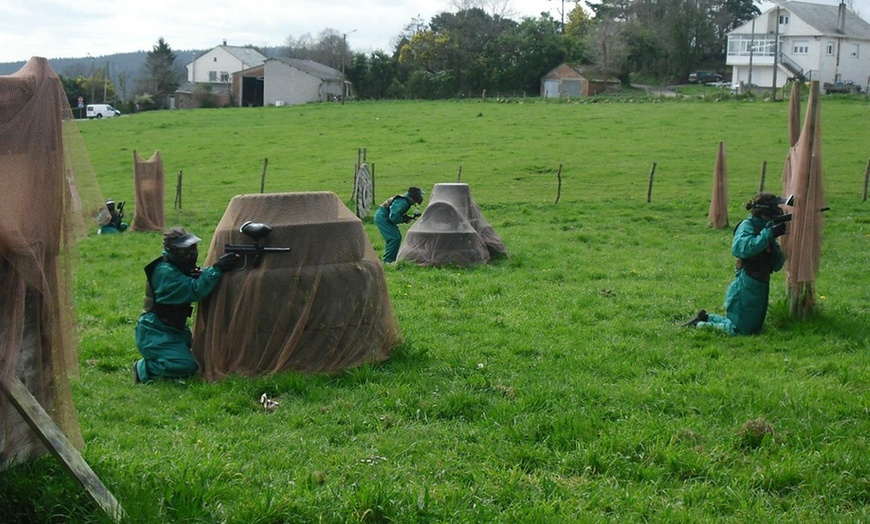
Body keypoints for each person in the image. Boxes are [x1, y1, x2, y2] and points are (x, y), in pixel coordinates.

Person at [133, 227, 239, 383]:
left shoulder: (178, 267)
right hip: (155, 332)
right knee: (186, 366)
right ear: (171, 250)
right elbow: (194, 290)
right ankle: (144, 369)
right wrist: (217, 269)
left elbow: (194, 279)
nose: (190, 254)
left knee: (199, 358)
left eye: (192, 248)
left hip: (175, 330)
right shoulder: (164, 271)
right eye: (184, 251)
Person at [684, 193, 787, 335]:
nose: (778, 210)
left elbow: (777, 265)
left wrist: (773, 242)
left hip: (761, 282)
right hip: (747, 281)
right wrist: (768, 233)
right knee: (740, 331)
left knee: (753, 328)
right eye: (775, 207)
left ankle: (708, 318)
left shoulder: (765, 229)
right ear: (765, 211)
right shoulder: (747, 226)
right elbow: (744, 249)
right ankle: (700, 325)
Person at [374, 186, 424, 263]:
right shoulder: (403, 202)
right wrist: (403, 219)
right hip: (382, 217)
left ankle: (392, 260)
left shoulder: (404, 201)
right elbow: (393, 217)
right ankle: (387, 261)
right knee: (394, 238)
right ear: (414, 196)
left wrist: (404, 217)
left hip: (384, 216)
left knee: (396, 237)